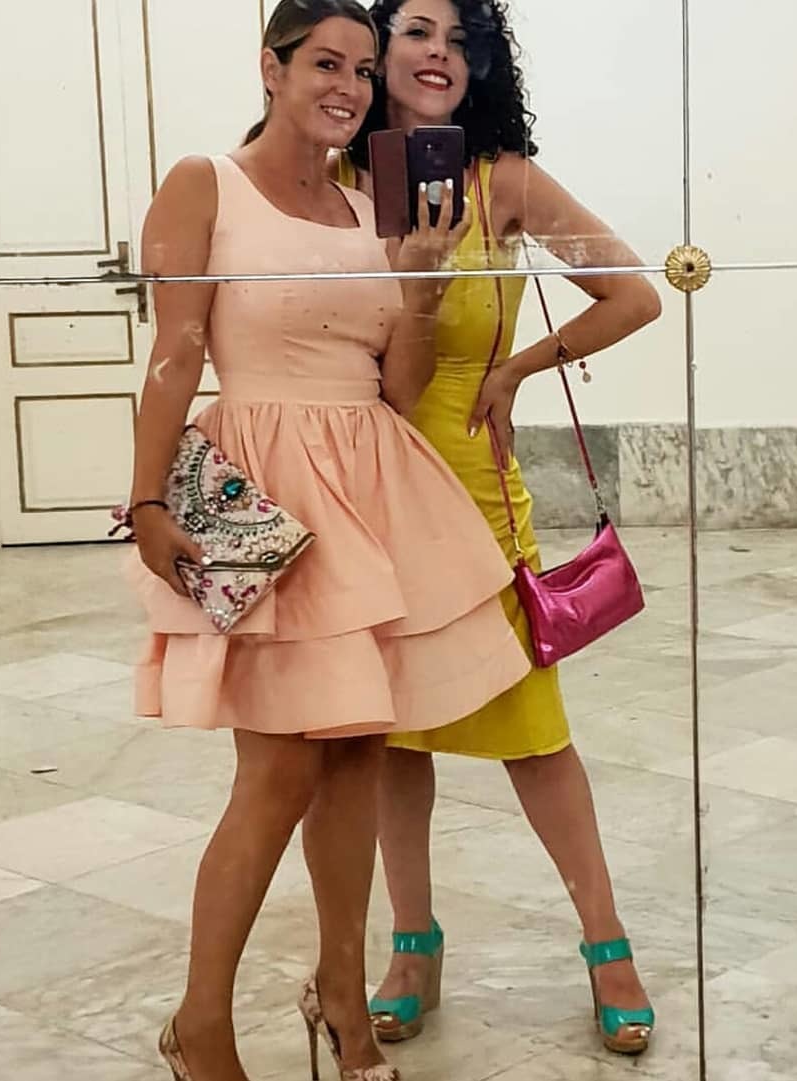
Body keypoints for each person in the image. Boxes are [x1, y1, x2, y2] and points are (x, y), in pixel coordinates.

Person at [125, 2, 530, 1079]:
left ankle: (343, 1000)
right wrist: (149, 499)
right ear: (272, 68)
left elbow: (398, 385)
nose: (349, 87)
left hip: (368, 486)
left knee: (356, 755)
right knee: (276, 771)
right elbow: (175, 353)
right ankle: (200, 1021)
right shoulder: (204, 182)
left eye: (361, 68)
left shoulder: (367, 210)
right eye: (325, 64)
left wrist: (422, 280)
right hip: (264, 486)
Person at [335, 0, 663, 1057]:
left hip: (472, 486)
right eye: (418, 33)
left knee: (533, 731)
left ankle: (606, 943)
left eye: (460, 41)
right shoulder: (329, 185)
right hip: (362, 490)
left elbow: (633, 294)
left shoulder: (501, 184)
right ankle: (412, 945)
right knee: (391, 735)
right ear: (377, 50)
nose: (440, 55)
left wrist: (520, 367)